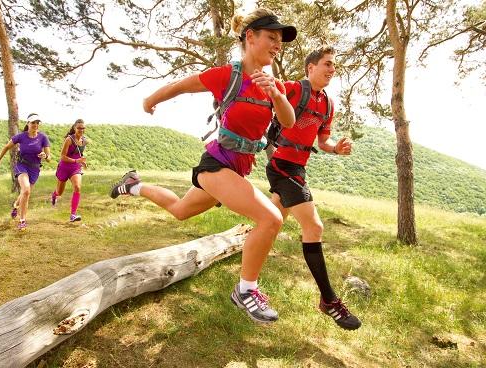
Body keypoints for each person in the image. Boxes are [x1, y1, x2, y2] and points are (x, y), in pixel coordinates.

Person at [109, 8, 297, 324]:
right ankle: (246, 290)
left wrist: (276, 94)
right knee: (271, 218)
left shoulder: (272, 84)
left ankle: (133, 185)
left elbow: (289, 120)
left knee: (181, 210)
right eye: (272, 37)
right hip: (216, 166)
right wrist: (149, 101)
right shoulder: (228, 75)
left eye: (281, 41)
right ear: (250, 37)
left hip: (236, 171)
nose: (278, 45)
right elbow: (183, 85)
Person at [265, 46, 361, 330]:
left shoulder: (328, 105)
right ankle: (329, 301)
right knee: (315, 227)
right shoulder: (294, 89)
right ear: (311, 67)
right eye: (327, 64)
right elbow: (263, 101)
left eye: (334, 66)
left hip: (299, 168)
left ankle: (245, 278)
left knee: (267, 223)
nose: (332, 70)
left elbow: (323, 142)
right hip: (282, 165)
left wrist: (336, 149)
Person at [0, 113, 51, 231]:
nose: (35, 125)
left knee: (24, 193)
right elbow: (6, 147)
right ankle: (22, 221)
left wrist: (45, 156)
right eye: (33, 122)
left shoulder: (43, 137)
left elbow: (49, 158)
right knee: (26, 190)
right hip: (22, 166)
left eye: (37, 123)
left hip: (35, 168)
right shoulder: (21, 137)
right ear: (28, 123)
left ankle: (15, 205)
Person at [51, 119, 88, 222]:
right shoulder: (69, 139)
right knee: (60, 192)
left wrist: (82, 161)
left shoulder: (84, 140)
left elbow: (79, 154)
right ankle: (54, 195)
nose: (81, 130)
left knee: (77, 187)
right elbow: (62, 157)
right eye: (79, 128)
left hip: (75, 168)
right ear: (74, 128)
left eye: (83, 128)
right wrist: (77, 160)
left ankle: (73, 215)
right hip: (64, 167)